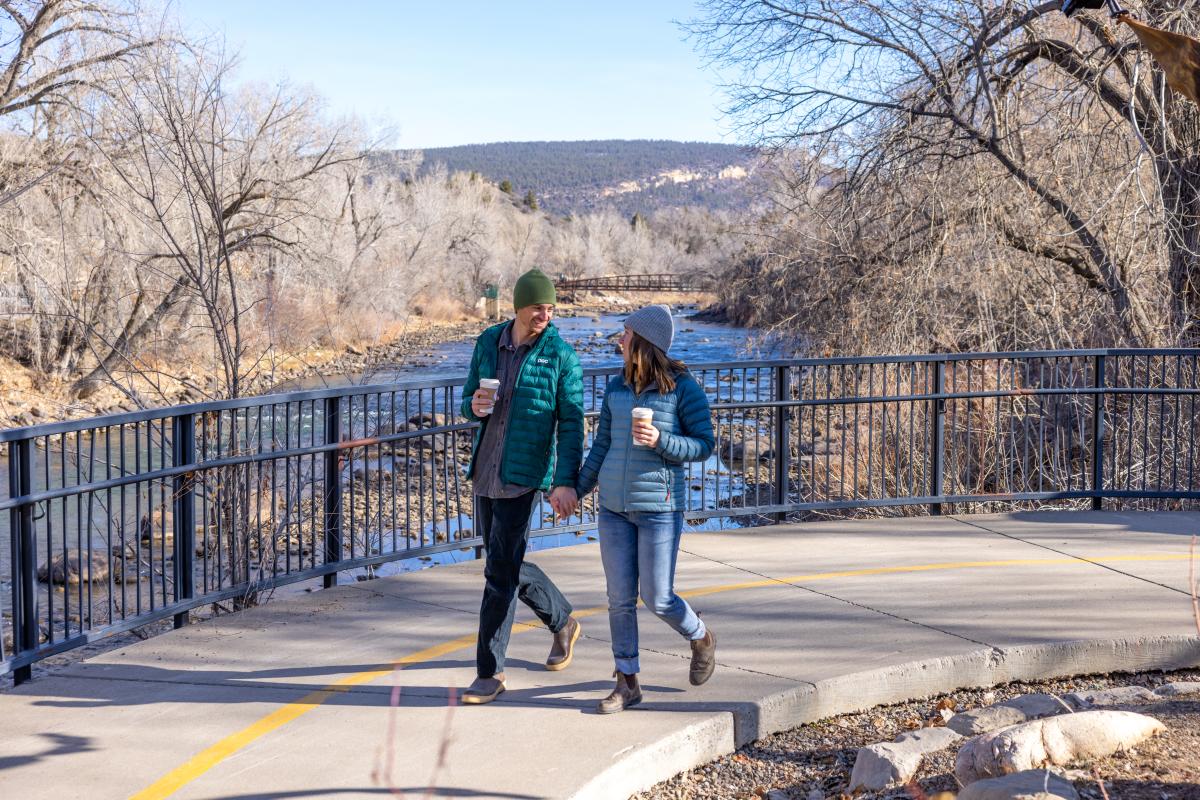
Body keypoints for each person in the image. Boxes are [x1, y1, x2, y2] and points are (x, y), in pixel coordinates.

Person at [576, 304, 717, 714]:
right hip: (614, 510)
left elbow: (705, 444)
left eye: (625, 334)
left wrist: (661, 440)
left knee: (657, 598)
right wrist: (575, 491)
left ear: (644, 342)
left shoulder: (683, 389)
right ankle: (627, 681)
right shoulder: (617, 387)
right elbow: (602, 444)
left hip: (659, 508)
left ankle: (701, 636)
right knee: (619, 599)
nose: (619, 340)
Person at [459, 268, 584, 705]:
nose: (544, 316)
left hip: (524, 476)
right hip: (485, 471)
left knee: (498, 574)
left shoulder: (561, 357)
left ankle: (489, 673)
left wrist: (565, 481)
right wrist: (474, 406)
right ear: (518, 307)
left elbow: (571, 424)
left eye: (550, 309)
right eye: (537, 308)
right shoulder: (488, 343)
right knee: (502, 563)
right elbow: (468, 399)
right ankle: (562, 620)